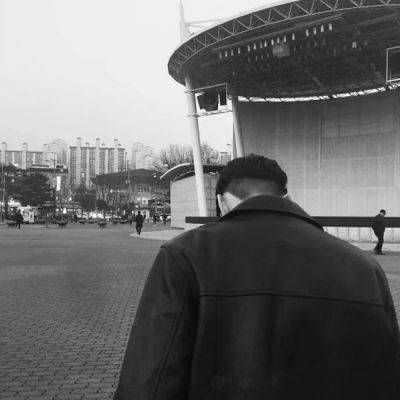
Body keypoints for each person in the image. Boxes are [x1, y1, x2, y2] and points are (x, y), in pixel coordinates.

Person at [114, 155, 400, 400]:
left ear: (221, 201)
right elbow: (387, 377)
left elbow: (150, 383)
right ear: (286, 197)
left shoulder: (185, 256)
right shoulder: (365, 269)